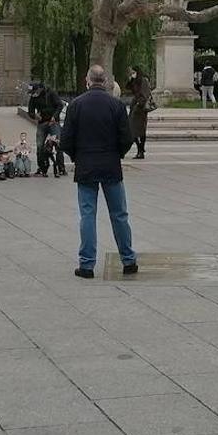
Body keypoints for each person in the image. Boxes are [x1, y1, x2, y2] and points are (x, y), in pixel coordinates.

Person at [61, 65, 138, 279]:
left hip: (86, 164)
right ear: (105, 82)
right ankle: (128, 260)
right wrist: (117, 154)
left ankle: (87, 265)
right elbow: (127, 138)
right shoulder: (116, 105)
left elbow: (66, 139)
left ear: (87, 81)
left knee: (87, 215)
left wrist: (77, 156)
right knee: (119, 214)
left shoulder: (76, 105)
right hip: (111, 164)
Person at [28, 81, 63, 177]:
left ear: (40, 89)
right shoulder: (33, 97)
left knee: (58, 144)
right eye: (32, 93)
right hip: (42, 122)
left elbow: (60, 105)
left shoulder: (51, 93)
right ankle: (42, 167)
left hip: (53, 122)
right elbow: (30, 111)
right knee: (40, 146)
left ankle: (61, 168)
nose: (33, 95)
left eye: (34, 92)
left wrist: (55, 116)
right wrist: (34, 116)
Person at [126, 66, 152, 159]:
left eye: (133, 72)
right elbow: (128, 88)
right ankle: (140, 149)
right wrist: (131, 80)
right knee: (132, 129)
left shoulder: (143, 80)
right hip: (135, 107)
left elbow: (145, 94)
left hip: (141, 108)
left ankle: (141, 150)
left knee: (140, 130)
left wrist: (139, 104)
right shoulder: (135, 81)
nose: (132, 74)